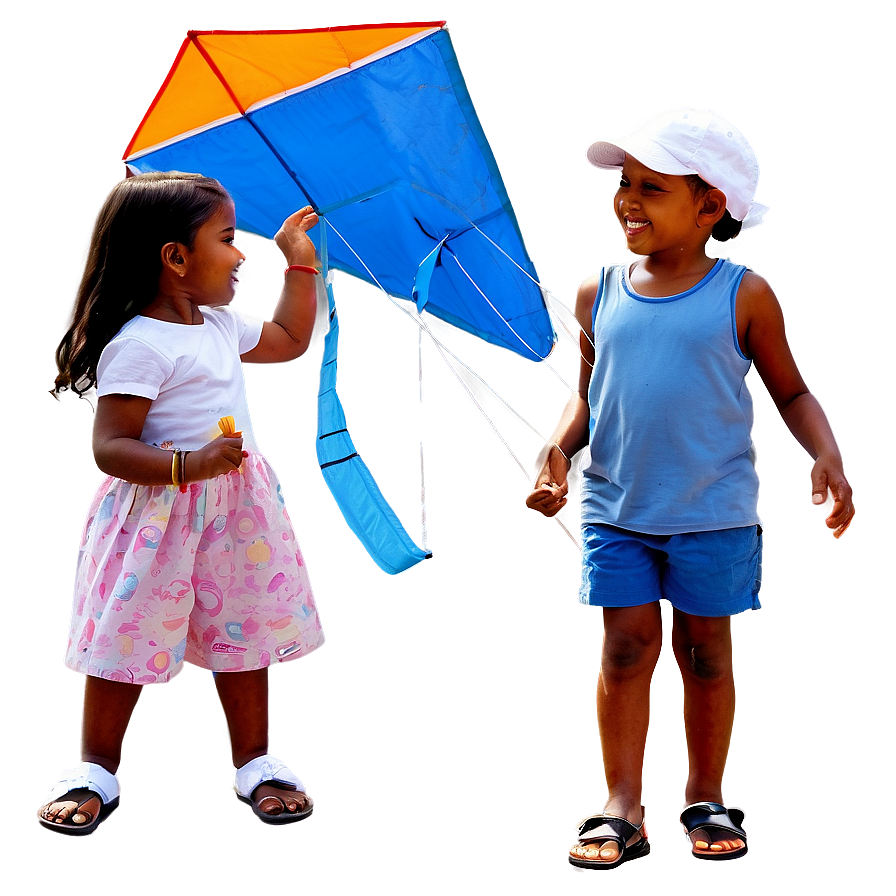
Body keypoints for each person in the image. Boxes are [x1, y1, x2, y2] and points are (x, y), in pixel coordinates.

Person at [525, 106, 854, 869]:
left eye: (652, 186)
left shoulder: (745, 295)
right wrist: (557, 453)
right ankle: (622, 810)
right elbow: (589, 394)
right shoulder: (594, 290)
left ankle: (706, 795)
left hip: (715, 515)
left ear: (711, 204)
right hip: (617, 511)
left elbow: (793, 394)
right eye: (624, 183)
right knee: (626, 649)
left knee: (707, 652)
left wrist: (828, 452)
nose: (628, 200)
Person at [38, 171, 326, 835]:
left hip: (236, 512)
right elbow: (110, 446)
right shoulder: (140, 344)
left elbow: (286, 338)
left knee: (244, 634)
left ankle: (255, 761)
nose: (240, 254)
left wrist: (300, 266)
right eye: (227, 239)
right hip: (158, 512)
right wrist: (187, 465)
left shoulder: (221, 325)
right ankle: (96, 767)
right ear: (175, 258)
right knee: (124, 638)